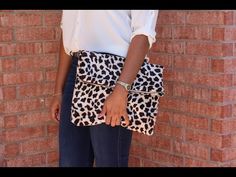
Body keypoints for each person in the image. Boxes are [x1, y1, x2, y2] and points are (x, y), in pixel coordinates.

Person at [50, 10, 159, 167]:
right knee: (70, 161)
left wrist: (122, 89)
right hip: (76, 72)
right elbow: (68, 31)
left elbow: (144, 33)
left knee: (109, 162)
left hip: (114, 76)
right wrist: (58, 91)